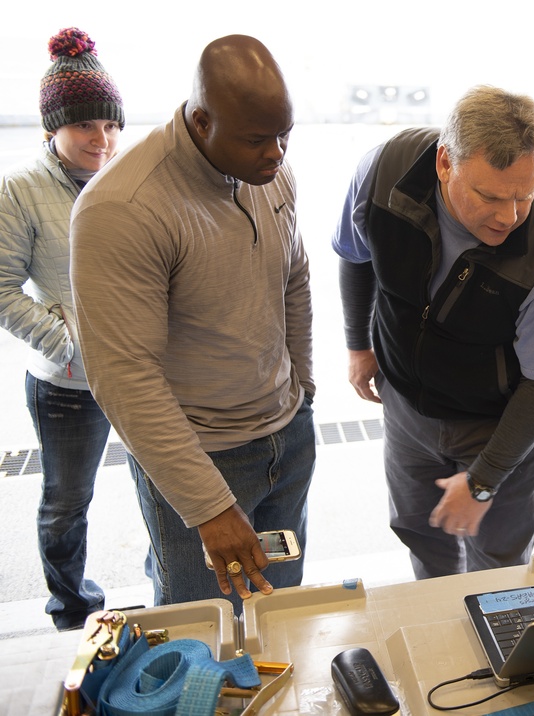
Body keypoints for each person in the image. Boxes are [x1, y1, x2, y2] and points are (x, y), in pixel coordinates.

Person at [69, 35, 315, 613]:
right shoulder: (124, 206)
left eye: (285, 135)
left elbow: (294, 280)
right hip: (203, 456)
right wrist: (207, 505)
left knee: (282, 616)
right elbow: (124, 377)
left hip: (286, 433)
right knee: (202, 630)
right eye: (257, 139)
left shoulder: (269, 173)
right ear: (202, 121)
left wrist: (302, 392)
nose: (277, 154)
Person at [333, 85, 534, 579]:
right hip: (407, 405)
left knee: (497, 561)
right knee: (421, 535)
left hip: (499, 421)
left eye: (524, 195)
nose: (509, 216)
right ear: (443, 164)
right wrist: (358, 344)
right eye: (490, 197)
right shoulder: (383, 172)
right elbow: (356, 253)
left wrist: (484, 481)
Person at [0, 27, 125, 631]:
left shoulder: (133, 178)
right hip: (68, 385)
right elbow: (1, 287)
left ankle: (175, 590)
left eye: (110, 125)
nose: (101, 141)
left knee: (175, 489)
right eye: (85, 127)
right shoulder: (19, 189)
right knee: (66, 502)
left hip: (145, 373)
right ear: (53, 127)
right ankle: (72, 608)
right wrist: (66, 342)